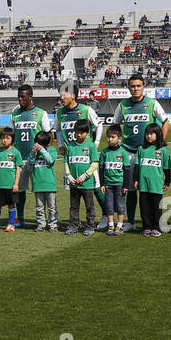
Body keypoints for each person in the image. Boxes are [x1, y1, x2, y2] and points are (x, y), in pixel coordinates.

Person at [56, 81, 106, 226]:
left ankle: (105, 215)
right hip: (71, 157)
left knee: (95, 188)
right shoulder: (60, 112)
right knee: (75, 190)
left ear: (72, 96)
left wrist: (96, 142)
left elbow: (99, 124)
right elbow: (58, 129)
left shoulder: (85, 109)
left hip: (87, 157)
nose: (61, 98)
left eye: (63, 95)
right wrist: (60, 144)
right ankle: (75, 222)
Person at [10, 84, 52, 227]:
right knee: (19, 190)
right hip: (20, 159)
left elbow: (48, 135)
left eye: (23, 96)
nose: (20, 99)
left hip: (37, 160)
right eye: (19, 96)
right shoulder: (15, 114)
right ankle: (20, 218)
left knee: (40, 190)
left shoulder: (41, 113)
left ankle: (44, 220)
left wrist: (45, 152)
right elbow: (11, 135)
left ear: (30, 96)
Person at [63, 119, 100, 236]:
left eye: (82, 132)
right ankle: (73, 226)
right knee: (73, 207)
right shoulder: (70, 146)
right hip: (73, 183)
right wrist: (69, 177)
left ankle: (90, 227)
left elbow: (94, 163)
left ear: (87, 133)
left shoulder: (91, 146)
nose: (79, 134)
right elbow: (66, 163)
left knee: (89, 206)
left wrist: (83, 177)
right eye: (77, 132)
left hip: (87, 183)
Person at [133, 123, 170, 236]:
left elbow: (167, 167)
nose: (149, 136)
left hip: (157, 184)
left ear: (158, 134)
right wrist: (136, 179)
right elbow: (137, 166)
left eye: (152, 134)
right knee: (145, 208)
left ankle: (156, 227)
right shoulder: (141, 149)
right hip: (144, 184)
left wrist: (167, 181)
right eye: (147, 134)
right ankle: (147, 227)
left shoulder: (163, 150)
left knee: (156, 207)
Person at [21, 130, 59, 233]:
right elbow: (29, 166)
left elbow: (50, 160)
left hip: (50, 184)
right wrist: (33, 154)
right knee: (39, 207)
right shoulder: (33, 153)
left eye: (39, 143)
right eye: (36, 143)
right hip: (37, 184)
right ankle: (41, 224)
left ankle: (53, 224)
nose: (37, 145)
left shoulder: (51, 150)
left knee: (52, 207)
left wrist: (42, 150)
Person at [96, 127, 130, 236]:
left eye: (113, 137)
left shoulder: (123, 153)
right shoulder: (104, 152)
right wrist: (102, 184)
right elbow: (101, 169)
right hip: (108, 185)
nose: (110, 139)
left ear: (119, 138)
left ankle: (119, 226)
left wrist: (126, 185)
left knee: (120, 206)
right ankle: (111, 226)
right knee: (109, 206)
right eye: (108, 137)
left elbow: (127, 171)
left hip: (120, 185)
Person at [0, 126, 24, 232]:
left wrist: (16, 184)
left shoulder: (16, 152)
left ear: (12, 139)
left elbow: (18, 169)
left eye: (8, 138)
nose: (5, 140)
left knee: (11, 204)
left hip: (10, 185)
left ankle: (10, 224)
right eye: (3, 138)